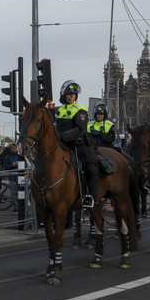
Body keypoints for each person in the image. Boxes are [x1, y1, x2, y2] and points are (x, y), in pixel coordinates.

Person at [56, 80, 98, 208]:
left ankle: (91, 197)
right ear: (64, 95)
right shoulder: (60, 110)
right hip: (63, 146)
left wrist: (62, 136)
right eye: (68, 94)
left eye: (73, 94)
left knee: (90, 167)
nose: (71, 96)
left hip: (79, 145)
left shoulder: (80, 109)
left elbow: (80, 130)